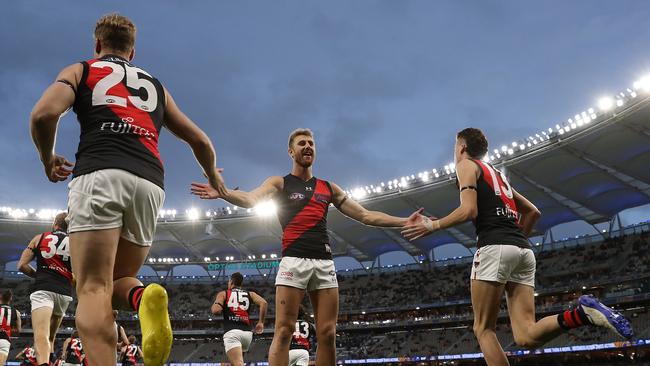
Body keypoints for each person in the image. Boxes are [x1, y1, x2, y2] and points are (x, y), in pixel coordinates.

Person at [29, 13, 226, 366]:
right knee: (120, 280)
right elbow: (201, 141)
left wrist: (47, 160)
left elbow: (43, 115)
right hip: (150, 183)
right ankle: (143, 296)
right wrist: (214, 177)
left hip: (100, 173)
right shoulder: (156, 86)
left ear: (97, 45)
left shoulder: (83, 69)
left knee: (91, 288)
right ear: (133, 52)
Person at [401, 127, 634, 366]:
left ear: (461, 147)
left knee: (483, 330)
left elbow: (469, 210)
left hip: (494, 246)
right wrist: (512, 242)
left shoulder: (466, 166)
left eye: (455, 147)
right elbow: (533, 212)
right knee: (526, 336)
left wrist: (433, 225)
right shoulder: (497, 176)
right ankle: (582, 314)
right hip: (523, 251)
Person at [191, 128, 422, 365]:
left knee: (328, 334)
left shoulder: (329, 188)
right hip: (294, 261)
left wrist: (404, 220)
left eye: (311, 143)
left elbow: (365, 215)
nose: (308, 146)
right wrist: (223, 192)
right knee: (283, 331)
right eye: (302, 143)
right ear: (291, 152)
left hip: (324, 262)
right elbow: (250, 199)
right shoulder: (279, 183)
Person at [17, 213, 72, 366]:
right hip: (64, 292)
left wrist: (38, 275)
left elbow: (21, 265)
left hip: (43, 288)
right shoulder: (76, 241)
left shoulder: (39, 237)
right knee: (51, 338)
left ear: (55, 223)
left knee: (41, 335)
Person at [211, 272, 267, 366]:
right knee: (230, 363)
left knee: (238, 364)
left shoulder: (224, 293)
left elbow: (216, 311)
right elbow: (263, 303)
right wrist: (261, 322)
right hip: (247, 334)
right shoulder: (250, 294)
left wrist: (216, 305)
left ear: (231, 282)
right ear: (241, 283)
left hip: (232, 333)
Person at [0, 289, 22, 365]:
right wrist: (7, 330)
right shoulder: (16, 312)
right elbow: (18, 330)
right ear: (11, 298)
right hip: (5, 340)